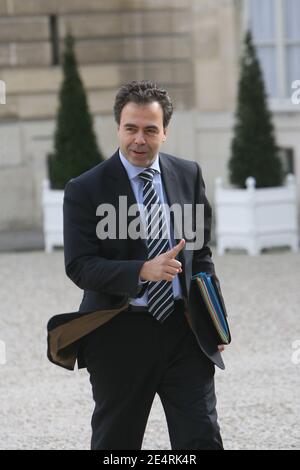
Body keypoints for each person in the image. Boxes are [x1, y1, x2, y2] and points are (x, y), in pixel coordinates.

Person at [53, 80, 229, 450]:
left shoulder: (188, 175)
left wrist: (215, 319)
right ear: (118, 127)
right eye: (131, 128)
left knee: (202, 439)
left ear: (164, 132)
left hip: (185, 330)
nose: (139, 139)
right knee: (117, 444)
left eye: (150, 129)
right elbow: (80, 266)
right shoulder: (85, 189)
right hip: (119, 333)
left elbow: (202, 256)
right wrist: (141, 271)